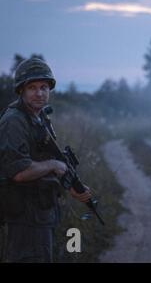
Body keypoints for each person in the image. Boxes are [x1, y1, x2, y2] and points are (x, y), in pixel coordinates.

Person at [0, 57, 91, 262]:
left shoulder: (39, 117)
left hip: (41, 212)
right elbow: (19, 172)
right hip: (24, 216)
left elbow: (46, 159)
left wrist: (72, 186)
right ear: (21, 90)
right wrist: (55, 166)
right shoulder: (14, 121)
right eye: (32, 87)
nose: (39, 93)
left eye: (44, 87)